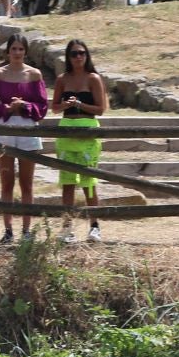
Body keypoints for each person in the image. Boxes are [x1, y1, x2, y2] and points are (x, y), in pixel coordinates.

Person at [0, 28, 48, 241]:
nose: (17, 52)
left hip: (27, 130)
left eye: (21, 49)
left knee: (27, 183)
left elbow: (42, 106)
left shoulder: (34, 74)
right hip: (4, 130)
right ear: (7, 51)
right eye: (14, 48)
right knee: (7, 182)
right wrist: (7, 109)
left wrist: (24, 105)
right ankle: (8, 230)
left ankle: (27, 230)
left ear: (26, 51)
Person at [51, 38, 107, 243]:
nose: (78, 57)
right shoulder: (62, 79)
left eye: (81, 53)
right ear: (68, 56)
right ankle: (67, 228)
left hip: (88, 130)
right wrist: (66, 104)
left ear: (87, 55)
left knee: (89, 181)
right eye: (74, 53)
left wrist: (81, 104)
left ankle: (94, 226)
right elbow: (54, 107)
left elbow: (100, 109)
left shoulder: (93, 78)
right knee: (67, 182)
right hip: (67, 129)